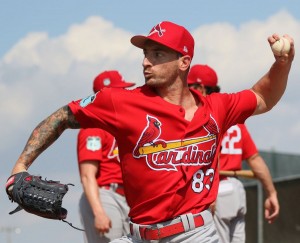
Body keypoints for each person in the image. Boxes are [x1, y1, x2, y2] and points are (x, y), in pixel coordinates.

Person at [6, 21, 294, 243]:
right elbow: (60, 118)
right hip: (137, 234)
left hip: (195, 234)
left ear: (184, 61)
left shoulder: (216, 107)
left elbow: (263, 97)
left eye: (157, 54)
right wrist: (20, 166)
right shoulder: (119, 101)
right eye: (145, 54)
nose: (146, 61)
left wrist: (282, 64)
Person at [187, 64, 280, 243]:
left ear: (200, 88)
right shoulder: (235, 120)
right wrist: (272, 192)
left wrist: (210, 194)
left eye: (190, 87)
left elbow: (212, 160)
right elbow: (255, 159)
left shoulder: (204, 117)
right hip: (237, 190)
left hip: (216, 190)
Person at [78, 70, 134, 242]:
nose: (125, 93)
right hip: (105, 195)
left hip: (128, 197)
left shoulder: (124, 125)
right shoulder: (93, 129)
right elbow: (87, 176)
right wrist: (99, 212)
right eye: (120, 90)